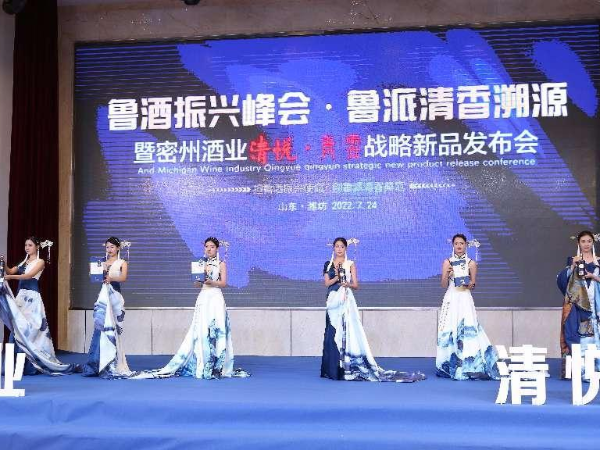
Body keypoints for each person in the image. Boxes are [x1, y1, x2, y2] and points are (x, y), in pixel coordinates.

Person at [133, 237, 248, 379]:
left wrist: (211, 281)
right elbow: (197, 285)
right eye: (207, 246)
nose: (209, 249)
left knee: (218, 328)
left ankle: (218, 365)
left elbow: (223, 283)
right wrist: (199, 279)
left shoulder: (221, 264)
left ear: (217, 248)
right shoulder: (200, 263)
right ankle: (203, 361)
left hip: (216, 298)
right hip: (203, 296)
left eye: (212, 246)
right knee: (201, 329)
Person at [320, 237, 425, 382]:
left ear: (345, 249)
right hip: (333, 302)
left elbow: (356, 285)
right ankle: (331, 369)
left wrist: (347, 284)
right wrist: (337, 276)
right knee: (332, 332)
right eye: (337, 246)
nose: (339, 249)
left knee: (346, 331)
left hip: (346, 300)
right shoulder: (328, 264)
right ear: (333, 248)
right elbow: (326, 283)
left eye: (342, 246)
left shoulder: (350, 264)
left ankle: (345, 367)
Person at [0, 236, 78, 375]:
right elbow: (11, 271)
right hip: (21, 297)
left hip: (32, 298)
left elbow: (28, 276)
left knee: (31, 329)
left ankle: (32, 364)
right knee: (18, 327)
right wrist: (4, 264)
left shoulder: (40, 262)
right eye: (26, 245)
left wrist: (10, 277)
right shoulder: (24, 261)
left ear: (37, 247)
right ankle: (17, 365)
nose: (27, 248)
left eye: (30, 245)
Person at [436, 234, 499, 380]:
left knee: (468, 328)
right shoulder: (447, 262)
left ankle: (469, 363)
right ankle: (448, 364)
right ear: (453, 245)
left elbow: (473, 285)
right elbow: (443, 284)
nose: (459, 246)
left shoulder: (471, 263)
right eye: (456, 243)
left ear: (466, 245)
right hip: (451, 298)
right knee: (449, 328)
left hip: (464, 298)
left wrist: (468, 284)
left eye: (462, 243)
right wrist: (447, 273)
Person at [82, 237, 133, 378]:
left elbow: (123, 278)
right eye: (107, 247)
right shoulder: (100, 262)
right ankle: (96, 363)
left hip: (115, 296)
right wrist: (94, 273)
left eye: (112, 247)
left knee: (114, 327)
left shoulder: (122, 262)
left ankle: (113, 362)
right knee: (100, 326)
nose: (109, 249)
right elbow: (94, 277)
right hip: (103, 296)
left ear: (118, 248)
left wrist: (111, 278)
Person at [557, 230, 600, 378]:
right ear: (578, 243)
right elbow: (563, 283)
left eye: (589, 241)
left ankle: (596, 367)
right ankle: (581, 369)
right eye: (583, 241)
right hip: (578, 307)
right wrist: (572, 267)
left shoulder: (598, 262)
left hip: (596, 304)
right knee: (579, 335)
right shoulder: (573, 261)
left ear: (593, 243)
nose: (586, 244)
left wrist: (593, 276)